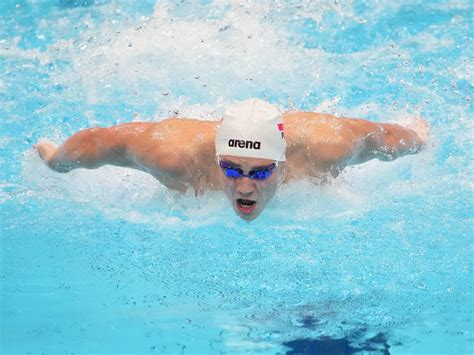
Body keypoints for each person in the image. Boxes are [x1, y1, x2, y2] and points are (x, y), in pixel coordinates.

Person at [35, 98, 428, 221]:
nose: (243, 186)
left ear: (285, 161)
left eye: (260, 172)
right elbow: (97, 142)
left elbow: (387, 138)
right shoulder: (174, 157)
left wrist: (420, 137)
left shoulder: (326, 147)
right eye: (231, 169)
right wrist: (56, 161)